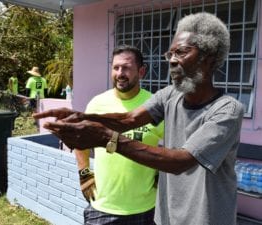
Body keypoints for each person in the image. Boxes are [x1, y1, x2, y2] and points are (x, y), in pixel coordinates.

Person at [33, 12, 244, 225]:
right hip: (166, 219)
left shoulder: (226, 110)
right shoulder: (170, 95)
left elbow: (181, 162)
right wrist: (82, 116)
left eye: (180, 52)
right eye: (169, 53)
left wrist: (108, 138)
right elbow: (128, 120)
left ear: (207, 59)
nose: (171, 60)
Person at [75, 45, 164, 225]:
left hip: (146, 208)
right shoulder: (97, 104)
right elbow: (80, 141)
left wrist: (161, 174)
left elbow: (175, 144)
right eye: (116, 68)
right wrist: (84, 173)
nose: (120, 73)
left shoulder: (155, 106)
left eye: (126, 68)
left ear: (141, 71)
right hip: (102, 207)